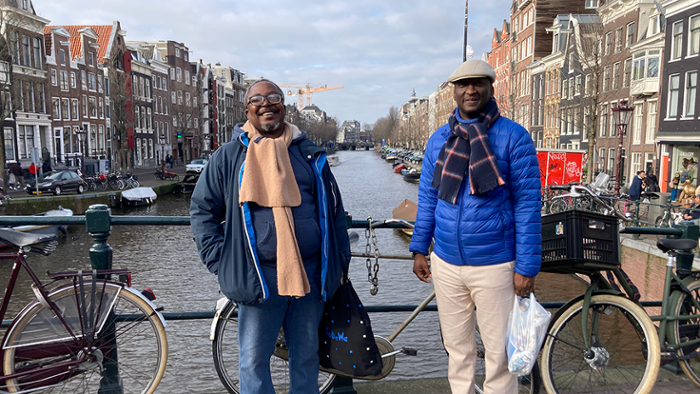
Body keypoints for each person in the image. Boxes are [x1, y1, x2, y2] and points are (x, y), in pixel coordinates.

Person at [190, 79, 351, 394]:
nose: (266, 103)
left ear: (284, 105)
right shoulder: (228, 157)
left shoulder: (309, 154)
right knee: (253, 362)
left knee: (306, 358)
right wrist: (221, 263)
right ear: (247, 109)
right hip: (258, 276)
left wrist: (340, 262)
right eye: (257, 99)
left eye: (273, 97)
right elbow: (202, 212)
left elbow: (335, 213)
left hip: (310, 274)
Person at [409, 59, 541, 393]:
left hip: (495, 264)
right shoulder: (439, 139)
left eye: (478, 83)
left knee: (499, 356)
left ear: (490, 88)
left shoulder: (514, 137)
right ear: (453, 90)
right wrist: (419, 249)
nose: (471, 90)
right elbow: (428, 197)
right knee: (458, 352)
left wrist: (526, 265)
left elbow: (527, 204)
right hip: (447, 263)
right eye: (463, 84)